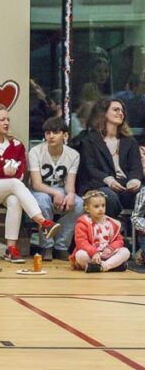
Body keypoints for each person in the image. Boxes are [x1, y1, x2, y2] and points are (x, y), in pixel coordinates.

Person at [0, 105, 57, 264]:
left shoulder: (17, 145)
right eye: (2, 119)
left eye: (8, 119)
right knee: (14, 184)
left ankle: (11, 249)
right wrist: (3, 171)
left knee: (15, 200)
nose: (7, 122)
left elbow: (20, 173)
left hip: (8, 187)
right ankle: (42, 221)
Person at [72, 97, 143, 234]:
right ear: (104, 113)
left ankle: (140, 241)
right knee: (108, 197)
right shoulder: (89, 140)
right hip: (99, 185)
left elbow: (136, 168)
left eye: (122, 111)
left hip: (126, 186)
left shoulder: (130, 141)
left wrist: (135, 180)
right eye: (116, 110)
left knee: (143, 195)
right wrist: (109, 180)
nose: (120, 113)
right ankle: (113, 234)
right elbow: (90, 168)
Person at [27, 116, 83, 261]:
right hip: (39, 190)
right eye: (48, 133)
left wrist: (70, 194)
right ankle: (46, 246)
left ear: (65, 135)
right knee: (43, 201)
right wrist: (55, 193)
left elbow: (69, 183)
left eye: (56, 132)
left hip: (60, 188)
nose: (51, 136)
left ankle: (61, 246)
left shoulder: (73, 155)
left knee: (79, 204)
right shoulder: (35, 152)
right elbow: (36, 184)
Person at [70, 190, 129, 272]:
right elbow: (81, 242)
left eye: (103, 205)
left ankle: (103, 266)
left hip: (108, 254)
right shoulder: (82, 223)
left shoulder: (111, 223)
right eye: (96, 206)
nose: (101, 209)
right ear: (87, 208)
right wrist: (93, 252)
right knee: (80, 255)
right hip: (92, 255)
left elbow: (119, 240)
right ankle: (113, 266)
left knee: (125, 251)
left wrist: (111, 248)